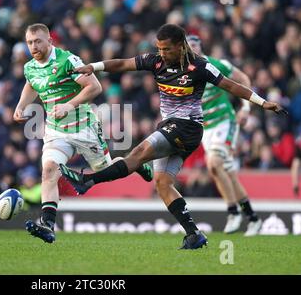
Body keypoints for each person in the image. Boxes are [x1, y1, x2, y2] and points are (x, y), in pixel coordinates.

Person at [59, 24, 286, 249]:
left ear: (180, 46)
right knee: (163, 183)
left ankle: (87, 181)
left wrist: (262, 102)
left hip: (187, 128)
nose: (162, 53)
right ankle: (194, 234)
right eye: (159, 48)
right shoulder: (156, 61)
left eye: (167, 49)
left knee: (137, 153)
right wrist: (93, 67)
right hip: (170, 127)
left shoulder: (200, 66)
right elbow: (122, 63)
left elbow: (232, 86)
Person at [13, 23, 153, 243]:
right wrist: (21, 105)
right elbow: (32, 84)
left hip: (84, 128)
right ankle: (47, 225)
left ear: (50, 41)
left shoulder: (68, 61)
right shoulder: (30, 67)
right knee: (48, 170)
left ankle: (136, 165)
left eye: (38, 41)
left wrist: (69, 105)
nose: (34, 46)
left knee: (106, 170)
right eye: (30, 42)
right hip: (56, 131)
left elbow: (95, 87)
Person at [186, 35, 262, 236]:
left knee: (214, 163)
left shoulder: (216, 64)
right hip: (206, 128)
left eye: (194, 45)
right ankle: (252, 217)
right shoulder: (184, 72)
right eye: (188, 46)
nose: (191, 49)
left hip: (225, 121)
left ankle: (232, 211)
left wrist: (245, 108)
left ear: (201, 48)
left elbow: (243, 79)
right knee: (222, 171)